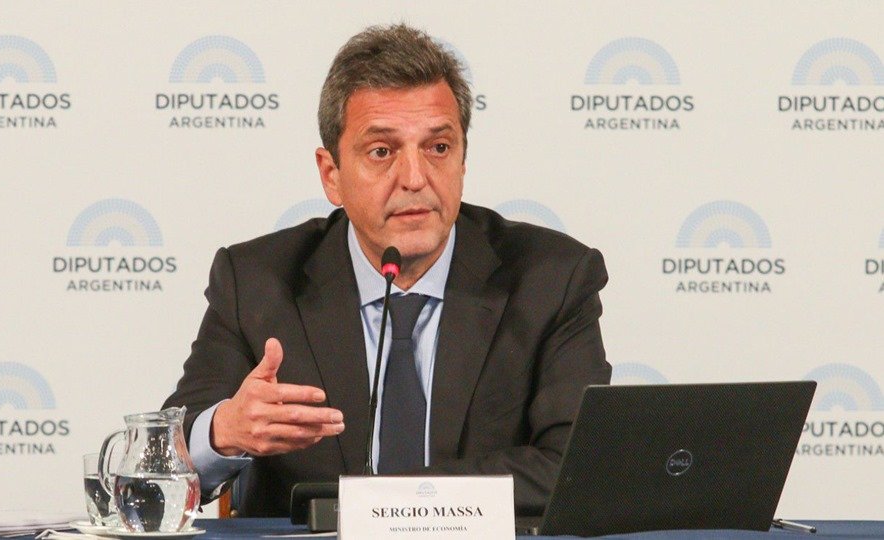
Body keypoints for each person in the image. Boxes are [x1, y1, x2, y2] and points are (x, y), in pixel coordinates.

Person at [163, 23, 610, 517]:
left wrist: (386, 503)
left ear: (463, 161)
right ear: (331, 175)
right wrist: (222, 431)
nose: (415, 179)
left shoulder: (552, 278)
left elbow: (579, 468)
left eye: (438, 148)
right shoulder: (258, 282)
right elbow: (155, 463)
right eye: (382, 151)